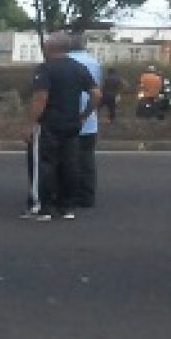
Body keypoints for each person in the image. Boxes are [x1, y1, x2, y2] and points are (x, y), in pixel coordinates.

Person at [23, 33, 100, 222]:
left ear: (50, 47)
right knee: (69, 164)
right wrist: (84, 114)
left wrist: (30, 123)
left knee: (43, 164)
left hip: (49, 123)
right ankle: (66, 206)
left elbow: (40, 98)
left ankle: (42, 206)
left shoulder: (45, 69)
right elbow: (96, 94)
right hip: (72, 122)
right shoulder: (78, 68)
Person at [66, 34, 102, 209]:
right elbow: (97, 89)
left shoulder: (66, 62)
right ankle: (87, 196)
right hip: (89, 118)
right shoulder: (94, 62)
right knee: (87, 159)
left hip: (68, 115)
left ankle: (69, 195)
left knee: (68, 159)